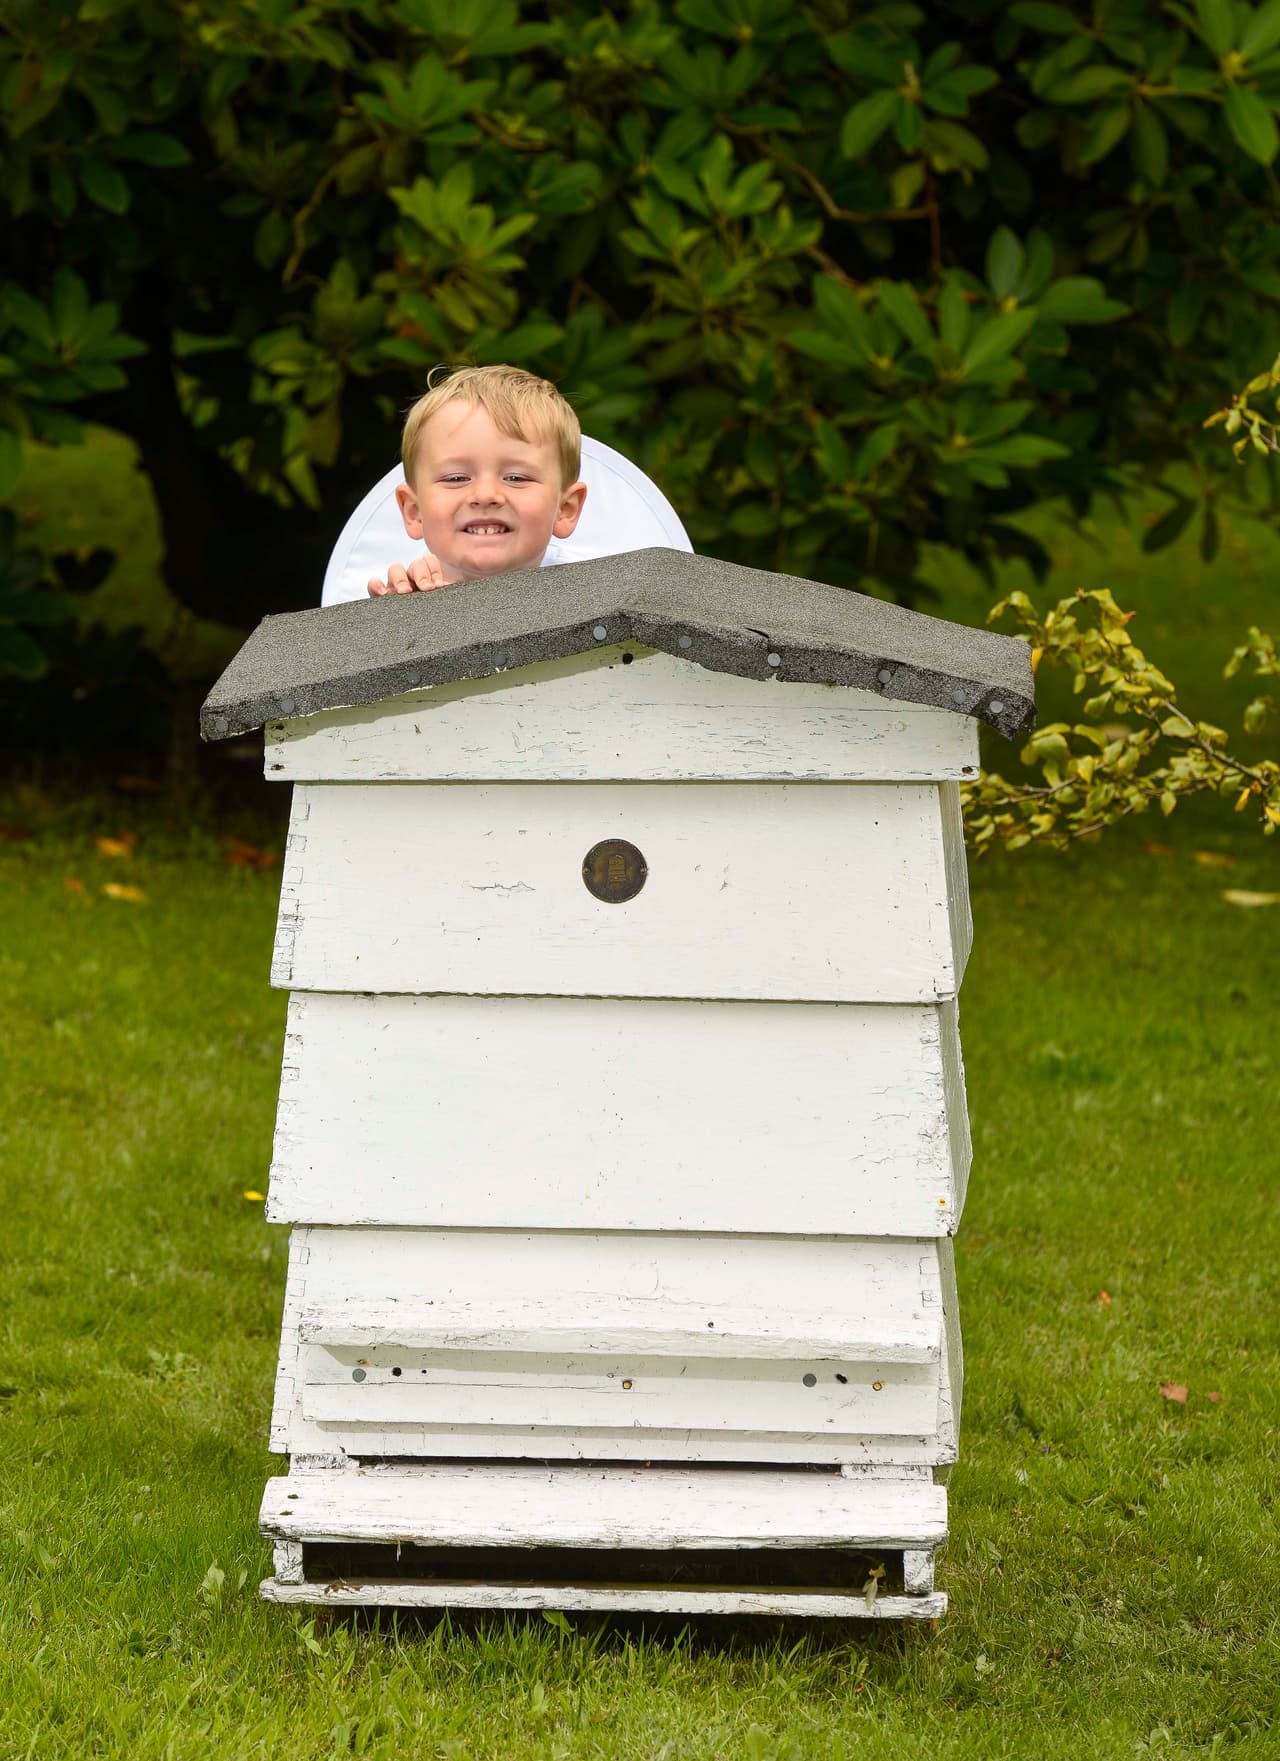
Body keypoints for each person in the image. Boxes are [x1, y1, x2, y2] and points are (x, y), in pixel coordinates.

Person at [366, 364, 588, 596]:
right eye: (456, 478)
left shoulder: (599, 614)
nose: (485, 495)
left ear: (566, 509)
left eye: (515, 477)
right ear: (414, 511)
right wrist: (394, 622)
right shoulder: (399, 607)